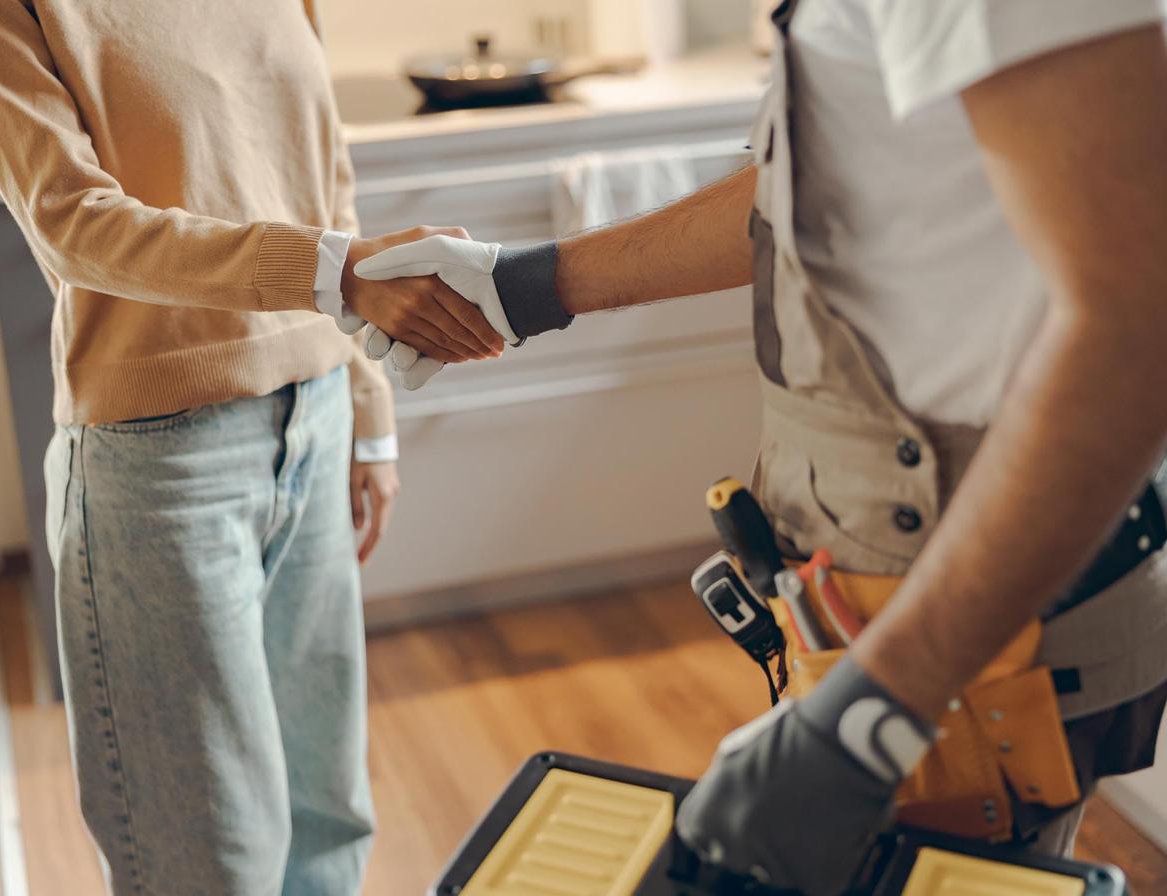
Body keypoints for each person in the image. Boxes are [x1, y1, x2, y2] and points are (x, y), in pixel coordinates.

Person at [353, 2, 1167, 893]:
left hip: (971, 630)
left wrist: (874, 713)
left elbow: (1138, 323)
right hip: (880, 600)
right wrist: (531, 286)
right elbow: (828, 186)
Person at [0, 1, 503, 894]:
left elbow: (324, 181)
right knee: (207, 858)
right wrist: (331, 274)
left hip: (318, 414)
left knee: (327, 825)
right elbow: (73, 225)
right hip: (158, 467)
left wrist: (367, 410)